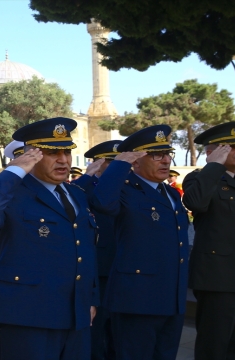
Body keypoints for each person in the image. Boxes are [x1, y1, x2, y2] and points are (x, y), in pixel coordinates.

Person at [0, 117, 98, 360]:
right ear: (31, 156)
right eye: (51, 152)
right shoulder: (12, 193)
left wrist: (90, 300)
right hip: (26, 314)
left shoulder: (76, 194)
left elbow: (85, 251)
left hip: (75, 313)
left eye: (67, 152)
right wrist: (14, 170)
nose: (63, 160)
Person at [90, 126, 190, 360]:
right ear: (135, 161)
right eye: (156, 155)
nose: (165, 160)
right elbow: (102, 202)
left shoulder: (171, 194)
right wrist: (119, 164)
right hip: (137, 299)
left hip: (171, 296)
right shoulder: (124, 190)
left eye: (167, 154)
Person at [182, 121, 235, 360]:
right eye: (231, 146)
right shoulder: (199, 179)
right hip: (217, 278)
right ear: (212, 152)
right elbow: (195, 202)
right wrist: (213, 166)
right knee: (214, 344)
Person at [71, 139, 123, 360]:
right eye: (111, 162)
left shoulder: (126, 186)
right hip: (100, 268)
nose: (117, 167)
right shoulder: (86, 187)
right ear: (99, 163)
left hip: (122, 267)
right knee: (97, 329)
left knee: (118, 331)